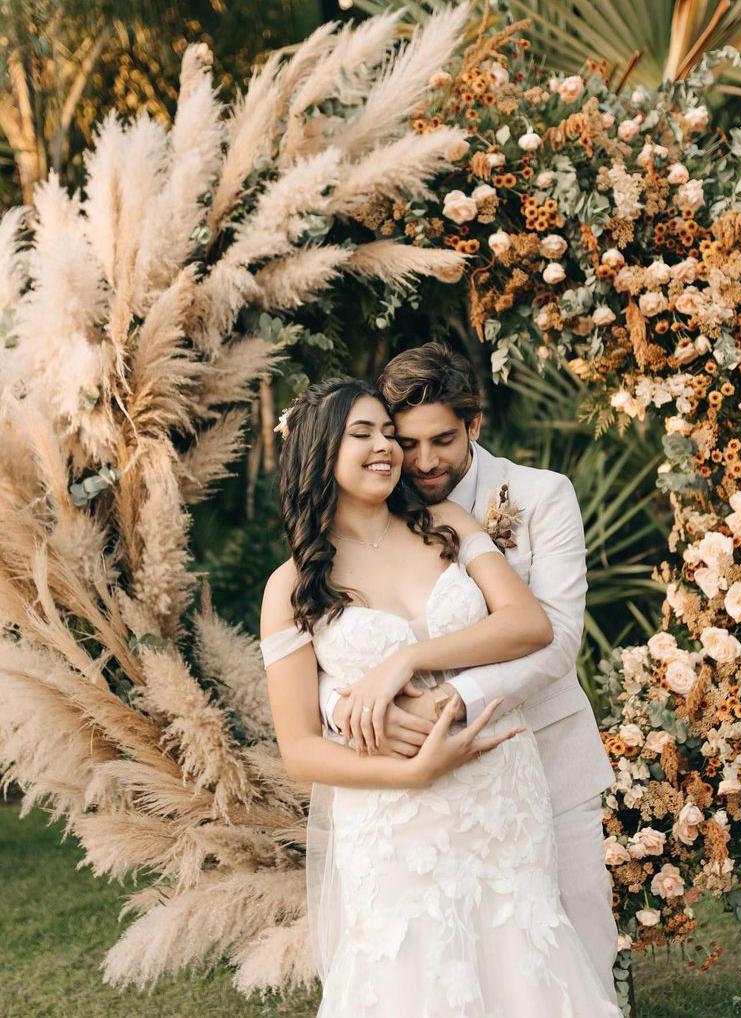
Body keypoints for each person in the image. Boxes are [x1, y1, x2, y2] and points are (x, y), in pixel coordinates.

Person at [260, 376, 620, 1016]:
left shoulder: (446, 524)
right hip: (395, 814)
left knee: (523, 956)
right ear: (320, 452)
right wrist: (411, 774)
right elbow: (300, 748)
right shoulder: (290, 587)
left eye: (386, 433)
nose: (386, 447)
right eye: (362, 434)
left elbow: (529, 625)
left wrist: (406, 660)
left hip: (500, 795)